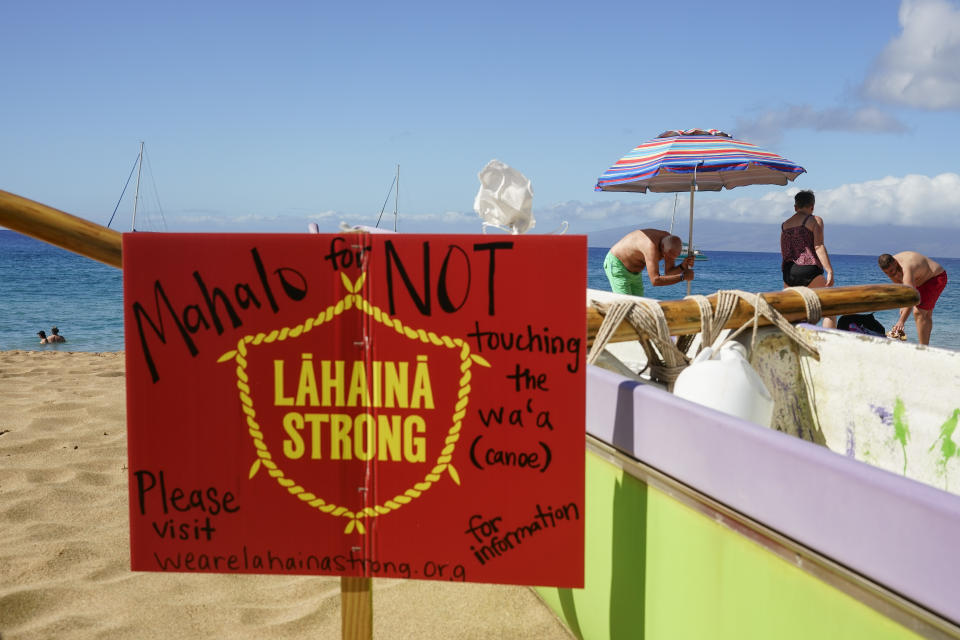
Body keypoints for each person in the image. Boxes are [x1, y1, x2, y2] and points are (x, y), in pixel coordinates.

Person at [780, 189, 836, 329]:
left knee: (794, 312)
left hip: (788, 272)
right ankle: (825, 344)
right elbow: (818, 246)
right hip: (808, 268)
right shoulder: (813, 220)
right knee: (830, 310)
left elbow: (784, 252)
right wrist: (829, 270)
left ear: (795, 207)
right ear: (812, 206)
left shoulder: (785, 225)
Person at [878, 251, 948, 346]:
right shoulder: (890, 264)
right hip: (919, 280)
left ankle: (923, 349)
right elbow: (901, 286)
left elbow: (911, 298)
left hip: (935, 278)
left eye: (891, 271)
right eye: (886, 273)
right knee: (925, 315)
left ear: (895, 262)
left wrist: (901, 321)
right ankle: (926, 348)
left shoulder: (906, 268)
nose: (890, 274)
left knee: (919, 312)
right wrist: (902, 305)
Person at [603, 228, 695, 296]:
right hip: (617, 265)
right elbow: (655, 281)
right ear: (662, 248)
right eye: (665, 256)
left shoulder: (669, 242)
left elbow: (669, 272)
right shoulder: (650, 247)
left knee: (640, 307)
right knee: (625, 307)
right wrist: (682, 277)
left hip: (635, 273)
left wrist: (683, 266)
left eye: (673, 257)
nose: (666, 258)